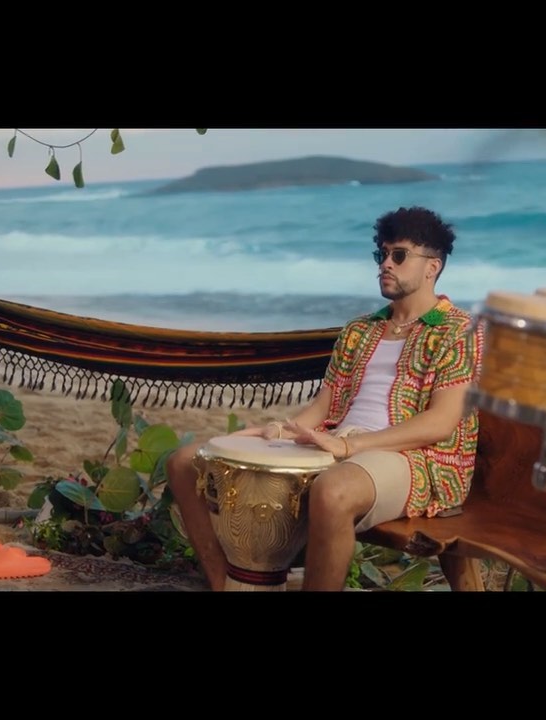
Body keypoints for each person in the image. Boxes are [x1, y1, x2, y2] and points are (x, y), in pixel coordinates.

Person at [166, 206, 483, 591]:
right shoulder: (360, 330)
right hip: (337, 444)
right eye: (382, 253)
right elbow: (323, 407)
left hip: (416, 459)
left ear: (432, 266)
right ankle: (225, 586)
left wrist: (350, 446)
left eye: (399, 255)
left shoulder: (457, 330)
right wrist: (276, 432)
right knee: (185, 462)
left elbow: (441, 423)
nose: (385, 264)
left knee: (333, 490)